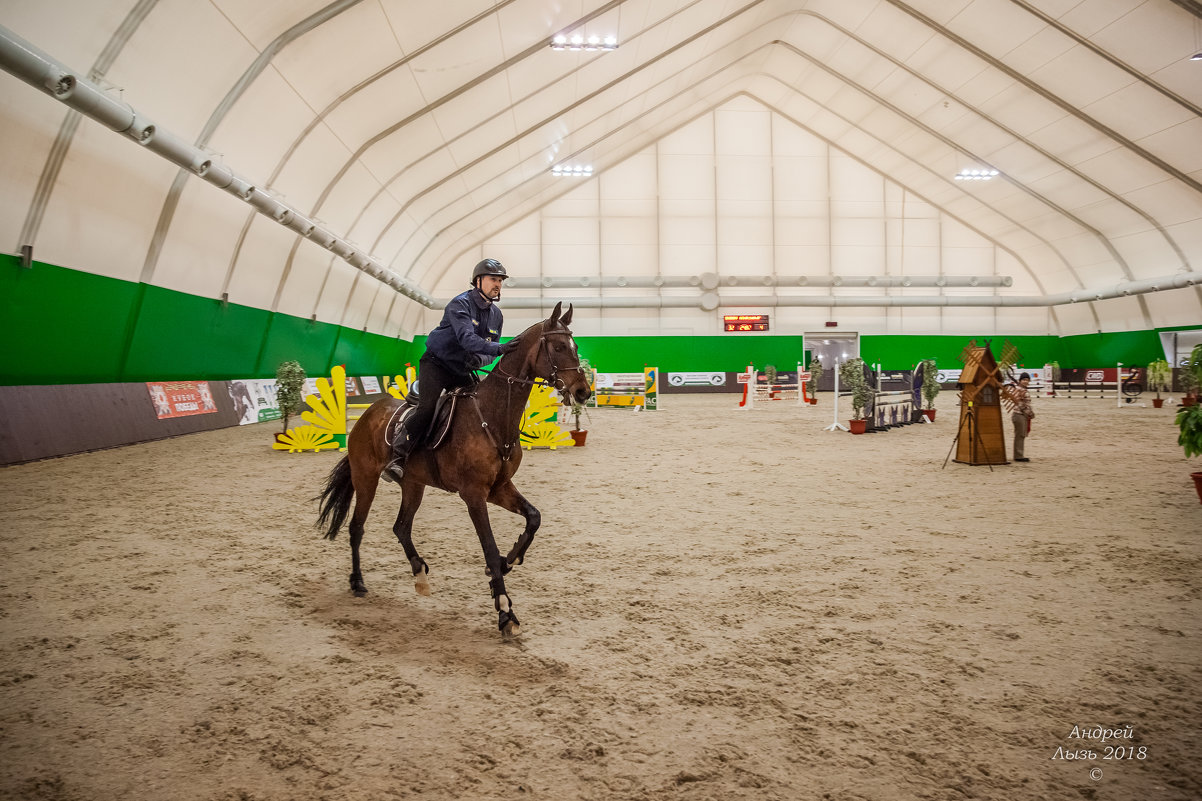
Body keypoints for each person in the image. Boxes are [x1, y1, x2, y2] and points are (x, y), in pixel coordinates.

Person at [384, 258, 521, 481]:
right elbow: (467, 339)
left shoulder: (497, 315)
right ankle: (398, 455)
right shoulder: (460, 304)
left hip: (462, 369)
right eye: (493, 279)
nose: (497, 284)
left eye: (500, 280)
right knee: (427, 409)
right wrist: (499, 349)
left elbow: (486, 352)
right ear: (478, 281)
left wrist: (480, 360)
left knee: (478, 409)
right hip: (437, 364)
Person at [1010, 372, 1035, 462]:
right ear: (1020, 380)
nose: (1026, 381)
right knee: (1020, 435)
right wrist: (1030, 414)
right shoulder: (1020, 390)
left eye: (1027, 380)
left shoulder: (1020, 389)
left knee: (1020, 435)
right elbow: (1021, 404)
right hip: (1019, 415)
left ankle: (1019, 454)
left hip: (1021, 415)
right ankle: (1018, 456)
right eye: (1024, 380)